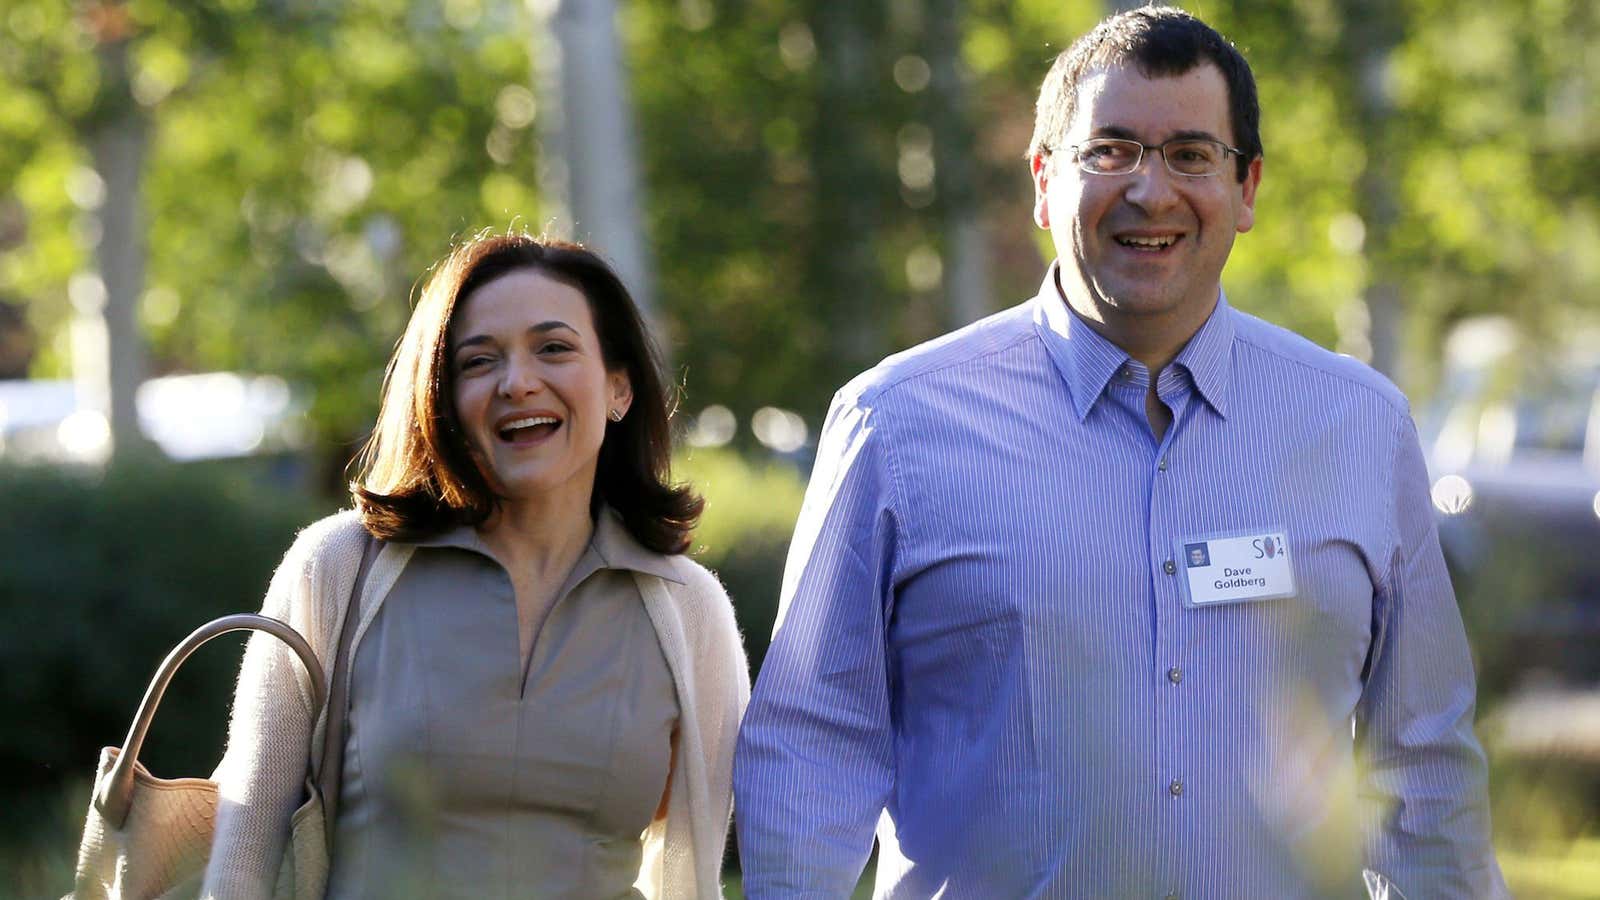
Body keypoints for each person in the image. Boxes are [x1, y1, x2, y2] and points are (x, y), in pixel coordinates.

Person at [733, 7, 1505, 899]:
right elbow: (810, 752)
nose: (1149, 190)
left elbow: (1425, 771)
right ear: (1042, 181)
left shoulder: (1362, 427)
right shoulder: (896, 424)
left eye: (1190, 154)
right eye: (1109, 151)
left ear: (1247, 187)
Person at [204, 232, 749, 899]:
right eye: (478, 361)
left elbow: (697, 868)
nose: (518, 383)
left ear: (619, 388)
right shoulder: (338, 570)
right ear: (442, 399)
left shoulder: (686, 607)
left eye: (554, 348)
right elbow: (238, 866)